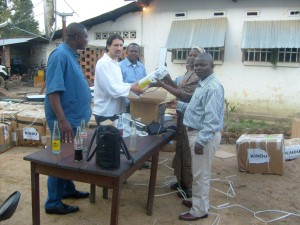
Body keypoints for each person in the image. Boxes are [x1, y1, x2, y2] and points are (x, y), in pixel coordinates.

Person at [44, 22, 91, 215]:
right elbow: (53, 92)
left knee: (70, 157)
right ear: (77, 37)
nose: (87, 41)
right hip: (66, 122)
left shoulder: (71, 55)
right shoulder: (60, 55)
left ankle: (67, 189)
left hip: (75, 120)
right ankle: (53, 203)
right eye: (85, 37)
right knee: (60, 159)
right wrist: (63, 121)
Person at [154, 47, 205, 198]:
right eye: (190, 55)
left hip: (192, 119)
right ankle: (181, 181)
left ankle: (190, 188)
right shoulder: (188, 73)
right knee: (181, 150)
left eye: (195, 56)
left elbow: (183, 95)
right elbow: (177, 88)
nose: (191, 58)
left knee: (189, 152)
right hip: (182, 117)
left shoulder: (199, 76)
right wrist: (166, 78)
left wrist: (164, 85)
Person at [179, 53, 224, 221]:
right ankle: (198, 202)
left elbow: (212, 120)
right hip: (196, 133)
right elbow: (198, 107)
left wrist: (201, 141)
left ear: (212, 66)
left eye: (202, 65)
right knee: (199, 172)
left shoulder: (213, 87)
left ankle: (200, 210)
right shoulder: (203, 83)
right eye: (196, 65)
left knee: (201, 175)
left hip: (202, 136)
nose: (198, 67)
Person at [93, 34, 143, 125]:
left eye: (121, 45)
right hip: (105, 113)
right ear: (108, 46)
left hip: (116, 111)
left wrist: (132, 85)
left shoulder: (115, 63)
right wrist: (131, 87)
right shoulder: (103, 63)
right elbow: (112, 89)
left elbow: (119, 85)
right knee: (107, 138)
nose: (119, 48)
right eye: (116, 45)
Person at [119, 43, 147, 113]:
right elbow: (118, 85)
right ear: (126, 52)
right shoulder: (119, 66)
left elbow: (145, 82)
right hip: (125, 104)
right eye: (131, 51)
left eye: (136, 51)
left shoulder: (141, 66)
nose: (133, 53)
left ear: (139, 53)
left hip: (140, 103)